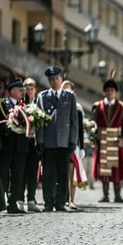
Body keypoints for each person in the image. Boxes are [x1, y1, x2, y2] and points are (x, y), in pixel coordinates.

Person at [36, 66, 79, 212]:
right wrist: (39, 141)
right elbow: (39, 122)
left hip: (64, 142)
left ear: (61, 79)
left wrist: (73, 140)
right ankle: (48, 202)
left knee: (62, 174)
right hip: (48, 143)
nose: (54, 81)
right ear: (48, 81)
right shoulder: (42, 97)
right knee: (48, 174)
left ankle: (61, 203)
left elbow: (74, 121)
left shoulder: (70, 96)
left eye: (57, 78)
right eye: (51, 79)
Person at [0, 79, 29, 214]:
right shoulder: (0, 104)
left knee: (17, 177)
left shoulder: (25, 106)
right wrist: (6, 126)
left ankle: (12, 203)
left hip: (20, 147)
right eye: (20, 90)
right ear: (12, 91)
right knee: (2, 176)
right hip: (5, 147)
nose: (22, 93)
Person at [92, 80, 123, 203]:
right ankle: (105, 195)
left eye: (112, 91)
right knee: (104, 169)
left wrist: (122, 139)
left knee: (116, 169)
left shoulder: (122, 107)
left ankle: (118, 195)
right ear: (104, 92)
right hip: (102, 140)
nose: (110, 93)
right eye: (107, 90)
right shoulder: (98, 106)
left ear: (116, 92)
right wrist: (95, 139)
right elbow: (95, 125)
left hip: (115, 140)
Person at [62, 80, 86, 210]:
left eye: (69, 89)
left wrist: (81, 146)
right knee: (62, 173)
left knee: (71, 173)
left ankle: (71, 199)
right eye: (64, 89)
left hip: (72, 145)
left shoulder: (77, 108)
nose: (67, 91)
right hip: (60, 144)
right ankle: (63, 199)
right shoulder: (58, 104)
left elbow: (80, 129)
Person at [21, 78, 42, 212]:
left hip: (35, 143)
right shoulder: (20, 105)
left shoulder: (39, 104)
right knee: (21, 172)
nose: (29, 92)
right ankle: (20, 199)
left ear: (35, 90)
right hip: (23, 143)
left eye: (31, 89)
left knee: (33, 172)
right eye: (26, 89)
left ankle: (31, 199)